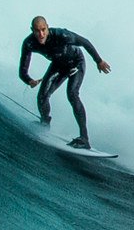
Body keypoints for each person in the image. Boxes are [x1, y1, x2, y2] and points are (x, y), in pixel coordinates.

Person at [16, 15, 109, 147]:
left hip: (76, 63)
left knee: (72, 94)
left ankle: (84, 138)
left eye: (43, 29)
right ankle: (44, 123)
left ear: (48, 27)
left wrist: (98, 61)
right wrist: (29, 80)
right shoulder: (29, 43)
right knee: (42, 96)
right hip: (58, 65)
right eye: (37, 31)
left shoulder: (62, 35)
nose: (41, 34)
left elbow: (84, 42)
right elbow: (22, 71)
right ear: (32, 30)